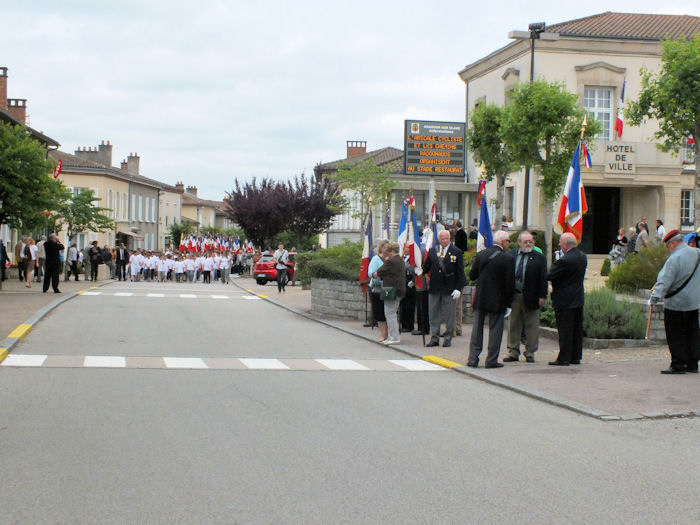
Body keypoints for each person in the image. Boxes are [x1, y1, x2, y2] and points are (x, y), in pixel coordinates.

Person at [649, 229, 700, 374]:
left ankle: (678, 363)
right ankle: (692, 363)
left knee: (675, 334)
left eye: (668, 246)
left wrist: (655, 297)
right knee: (692, 332)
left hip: (676, 302)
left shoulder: (674, 258)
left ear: (672, 244)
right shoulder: (697, 253)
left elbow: (665, 281)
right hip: (694, 301)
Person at [467, 230, 515, 369]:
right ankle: (491, 360)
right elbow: (509, 283)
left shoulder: (481, 254)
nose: (508, 244)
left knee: (477, 329)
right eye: (508, 241)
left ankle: (473, 359)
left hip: (481, 297)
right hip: (498, 299)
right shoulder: (508, 259)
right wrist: (509, 302)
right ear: (503, 242)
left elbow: (472, 275)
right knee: (495, 330)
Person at [503, 231, 547, 363]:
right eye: (525, 242)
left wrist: (542, 296)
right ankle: (513, 351)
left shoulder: (539, 258)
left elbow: (543, 278)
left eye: (531, 242)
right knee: (513, 324)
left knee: (532, 325)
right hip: (514, 295)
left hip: (532, 296)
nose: (528, 244)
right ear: (519, 243)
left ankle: (530, 352)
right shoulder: (510, 256)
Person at [547, 232, 588, 366]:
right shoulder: (582, 257)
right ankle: (575, 356)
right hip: (577, 297)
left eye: (560, 242)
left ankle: (564, 358)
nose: (559, 244)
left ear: (566, 244)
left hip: (564, 299)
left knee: (565, 330)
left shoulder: (564, 260)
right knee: (576, 329)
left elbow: (551, 275)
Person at [422, 229, 466, 348]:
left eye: (447, 238)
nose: (445, 241)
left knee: (450, 315)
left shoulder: (456, 252)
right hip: (435, 287)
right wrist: (419, 270)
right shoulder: (433, 251)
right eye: (443, 239)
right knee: (434, 314)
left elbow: (460, 273)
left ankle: (448, 338)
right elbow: (426, 267)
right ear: (439, 240)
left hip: (449, 288)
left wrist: (458, 288)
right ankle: (434, 338)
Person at [374, 241, 406, 345]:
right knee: (392, 313)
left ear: (392, 251)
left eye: (388, 251)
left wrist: (375, 273)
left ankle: (394, 337)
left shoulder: (391, 261)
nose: (386, 252)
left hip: (391, 290)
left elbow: (378, 272)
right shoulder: (400, 260)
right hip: (400, 289)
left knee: (390, 313)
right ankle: (393, 336)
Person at [368, 240, 389, 342]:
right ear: (381, 248)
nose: (387, 249)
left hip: (389, 289)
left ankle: (389, 333)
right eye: (385, 247)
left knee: (388, 312)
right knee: (379, 312)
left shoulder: (390, 259)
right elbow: (370, 273)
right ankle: (383, 334)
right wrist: (380, 276)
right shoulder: (376, 259)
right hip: (377, 289)